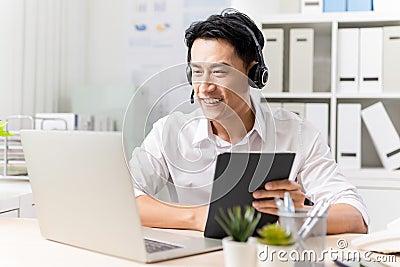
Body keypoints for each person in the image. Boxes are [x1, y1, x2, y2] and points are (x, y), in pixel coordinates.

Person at [129, 9, 368, 234]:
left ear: (253, 74)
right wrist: (199, 218)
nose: (204, 87)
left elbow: (355, 216)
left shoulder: (297, 134)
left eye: (219, 72)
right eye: (197, 72)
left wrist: (298, 214)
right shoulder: (169, 132)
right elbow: (123, 199)